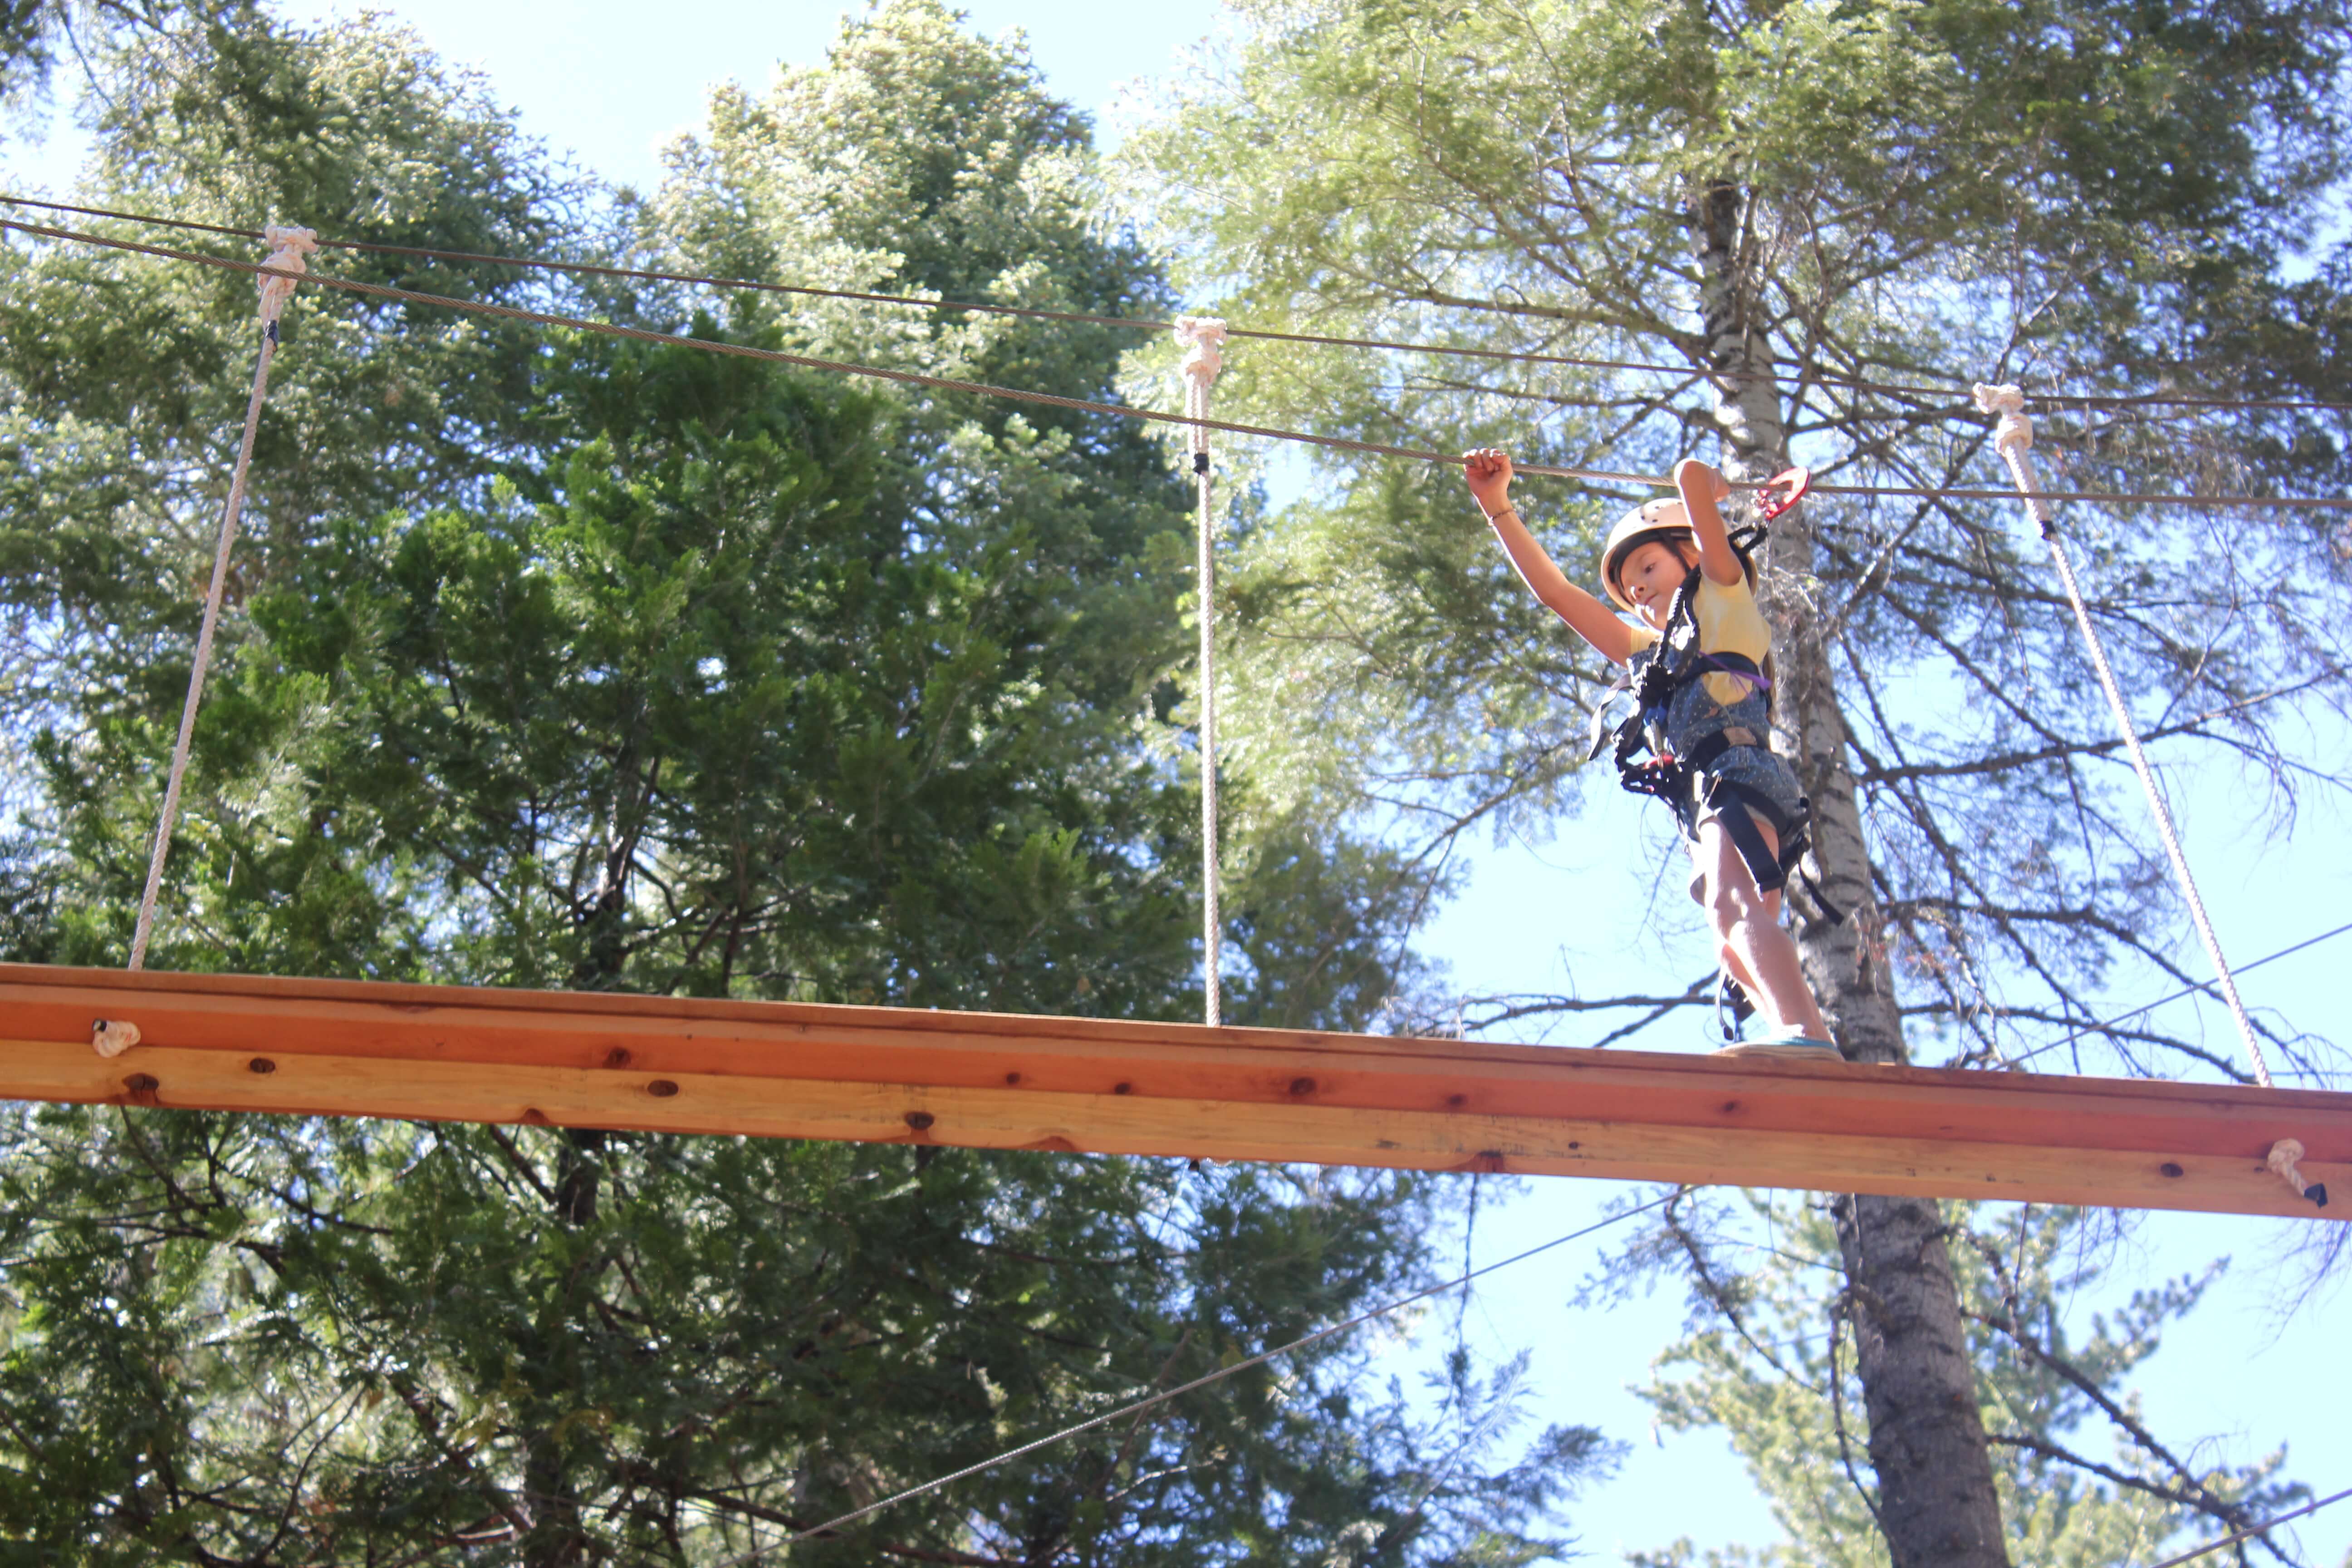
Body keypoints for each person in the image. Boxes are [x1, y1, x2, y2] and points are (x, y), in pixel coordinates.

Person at [1462, 447, 1839, 1060]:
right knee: (1728, 936)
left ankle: (1802, 1035)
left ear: (1690, 553)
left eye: (1648, 565)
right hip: (1711, 797)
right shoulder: (1654, 651)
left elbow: (1690, 476)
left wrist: (1711, 491)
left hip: (1736, 774)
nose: (1637, 587)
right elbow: (1558, 594)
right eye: (1629, 585)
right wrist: (1496, 506)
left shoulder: (1724, 598)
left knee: (1731, 904)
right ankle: (1802, 1043)